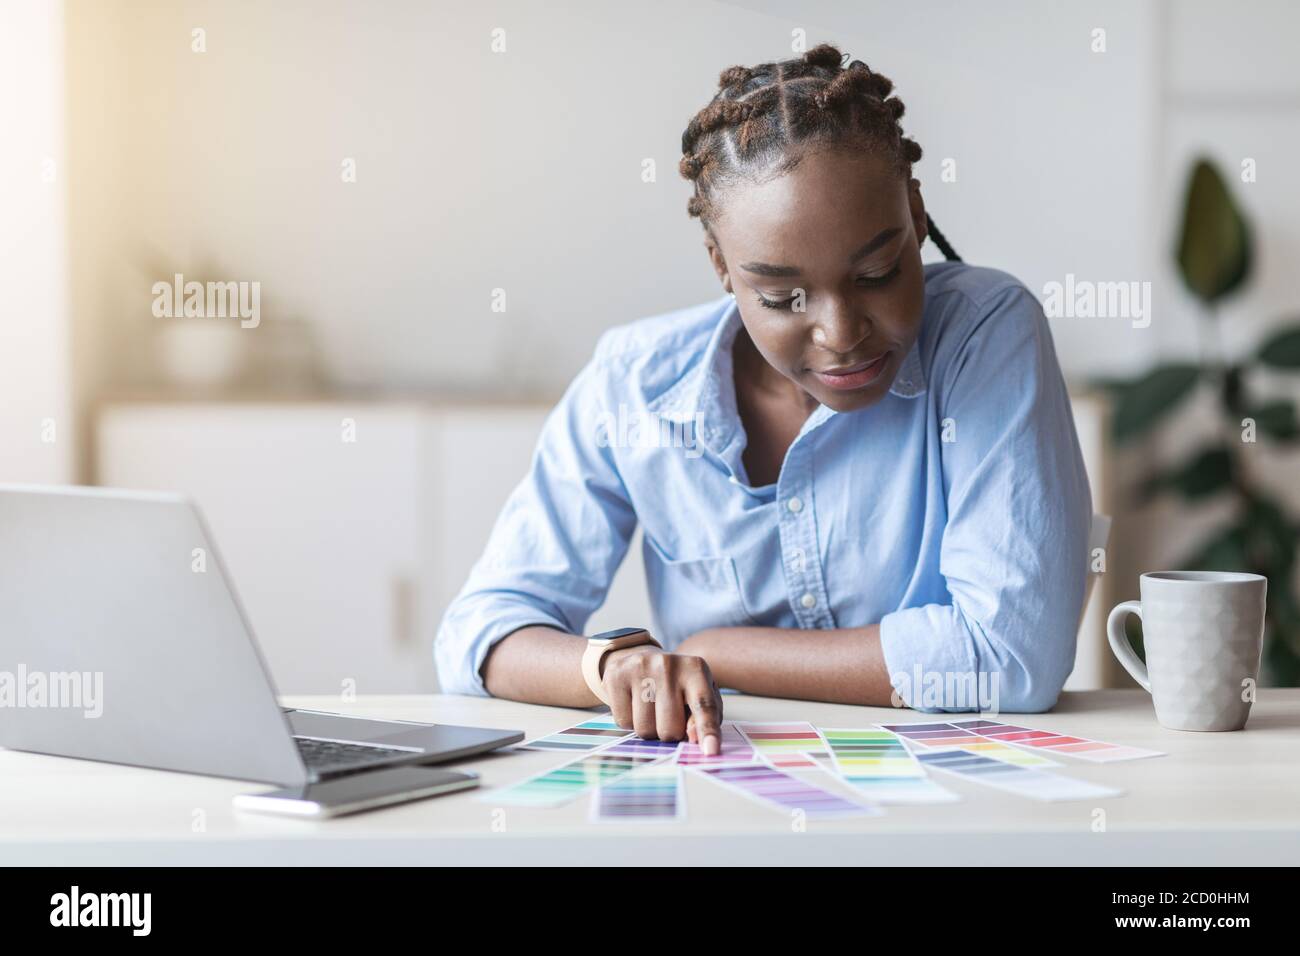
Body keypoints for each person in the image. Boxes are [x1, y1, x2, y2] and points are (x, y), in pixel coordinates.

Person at [436, 43, 1092, 755]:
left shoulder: (985, 334)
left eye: (877, 272)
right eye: (782, 297)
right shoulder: (632, 384)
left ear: (915, 209)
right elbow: (478, 635)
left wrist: (716, 649)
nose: (841, 333)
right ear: (722, 266)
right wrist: (612, 665)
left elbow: (1012, 657)